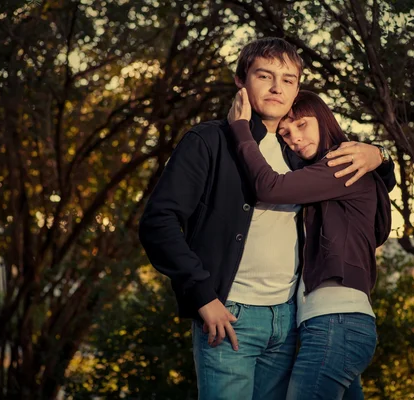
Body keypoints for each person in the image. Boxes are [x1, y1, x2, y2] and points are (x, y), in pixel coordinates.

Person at [138, 37, 394, 400]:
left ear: (297, 89)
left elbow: (363, 210)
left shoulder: (302, 153)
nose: (277, 87)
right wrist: (202, 295)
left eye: (288, 79)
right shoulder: (209, 142)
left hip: (292, 320)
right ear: (242, 81)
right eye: (265, 75)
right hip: (229, 316)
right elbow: (158, 222)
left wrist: (381, 158)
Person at [227, 88, 391, 400]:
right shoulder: (322, 172)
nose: (295, 139)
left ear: (323, 118)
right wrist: (382, 157)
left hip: (336, 324)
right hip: (334, 325)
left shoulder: (341, 163)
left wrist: (240, 129)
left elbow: (269, 187)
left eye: (302, 125)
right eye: (286, 133)